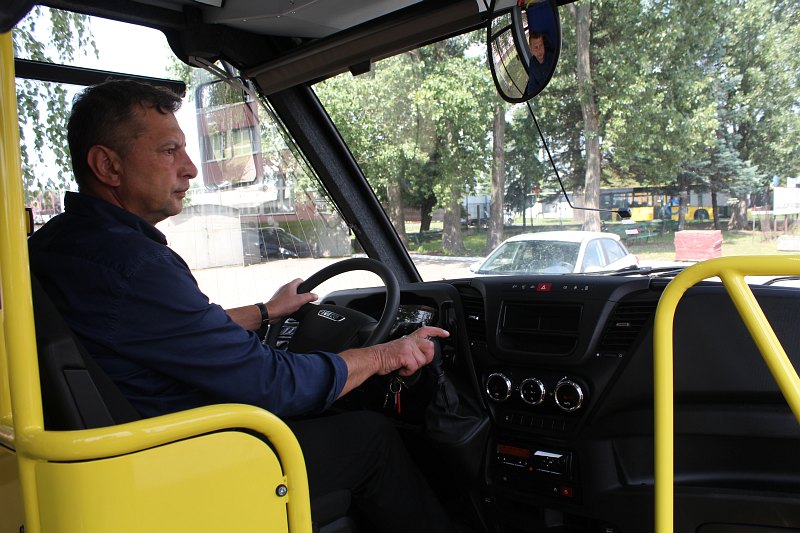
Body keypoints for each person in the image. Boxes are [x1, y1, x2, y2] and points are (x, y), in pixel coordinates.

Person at [27, 79, 454, 533]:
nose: (191, 169)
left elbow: (175, 331)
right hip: (178, 465)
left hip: (112, 464)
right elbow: (273, 384)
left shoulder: (50, 246)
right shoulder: (136, 266)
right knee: (371, 437)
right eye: (170, 151)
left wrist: (267, 312)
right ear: (108, 166)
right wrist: (383, 355)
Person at [525, 31, 555, 96]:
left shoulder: (552, 58)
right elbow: (532, 85)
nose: (539, 50)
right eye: (536, 47)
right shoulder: (532, 62)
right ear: (531, 50)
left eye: (541, 45)